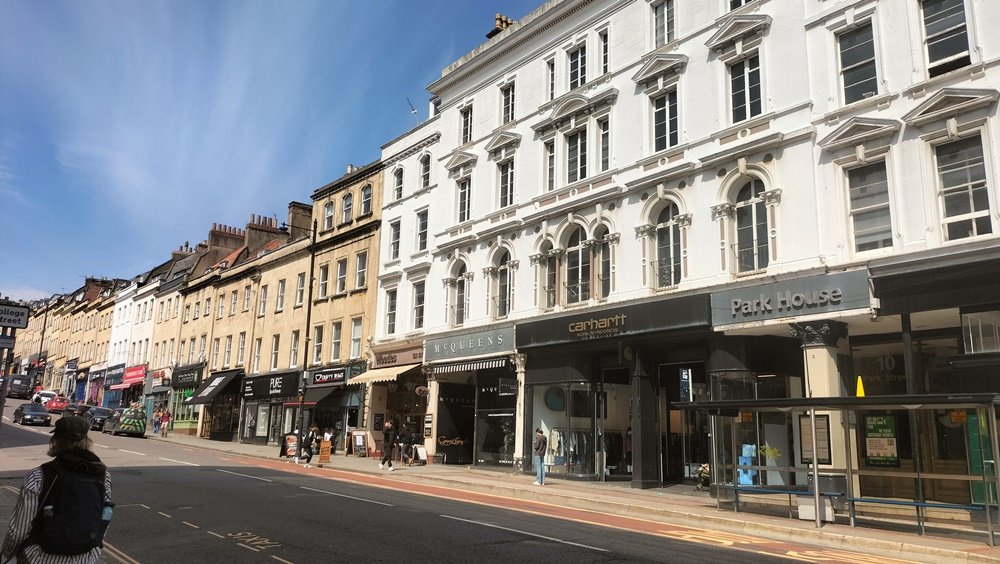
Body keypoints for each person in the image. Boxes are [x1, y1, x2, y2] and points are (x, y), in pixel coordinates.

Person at [2, 416, 113, 564]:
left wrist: (7, 553)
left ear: (55, 441)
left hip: (39, 557)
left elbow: (19, 530)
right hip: (85, 558)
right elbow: (104, 518)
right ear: (87, 441)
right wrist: (94, 550)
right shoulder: (103, 475)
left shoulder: (39, 475)